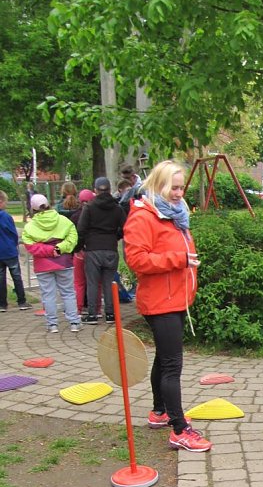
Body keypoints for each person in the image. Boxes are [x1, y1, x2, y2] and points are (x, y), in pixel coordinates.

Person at [124, 159, 212, 453]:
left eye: (180, 187)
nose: (178, 192)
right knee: (172, 365)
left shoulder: (174, 214)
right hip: (159, 302)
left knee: (163, 359)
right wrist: (179, 260)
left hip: (174, 298)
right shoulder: (144, 216)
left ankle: (160, 411)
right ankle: (179, 430)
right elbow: (136, 260)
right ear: (157, 185)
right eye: (172, 187)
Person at [21, 193, 80, 333]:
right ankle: (74, 322)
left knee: (48, 295)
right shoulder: (63, 220)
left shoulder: (30, 227)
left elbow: (30, 246)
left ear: (33, 209)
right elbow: (73, 238)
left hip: (42, 265)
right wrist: (59, 248)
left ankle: (52, 324)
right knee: (68, 293)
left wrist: (48, 250)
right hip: (63, 262)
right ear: (48, 204)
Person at [77, 177, 126, 324]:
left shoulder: (89, 207)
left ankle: (92, 314)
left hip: (93, 249)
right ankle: (111, 314)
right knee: (109, 282)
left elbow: (81, 229)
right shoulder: (117, 208)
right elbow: (125, 228)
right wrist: (115, 237)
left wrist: (79, 247)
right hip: (110, 248)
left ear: (95, 191)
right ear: (110, 190)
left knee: (92, 282)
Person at [0, 190, 30, 312]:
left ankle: (2, 304)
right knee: (16, 276)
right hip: (9, 250)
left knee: (1, 278)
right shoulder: (6, 216)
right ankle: (21, 301)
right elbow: (13, 233)